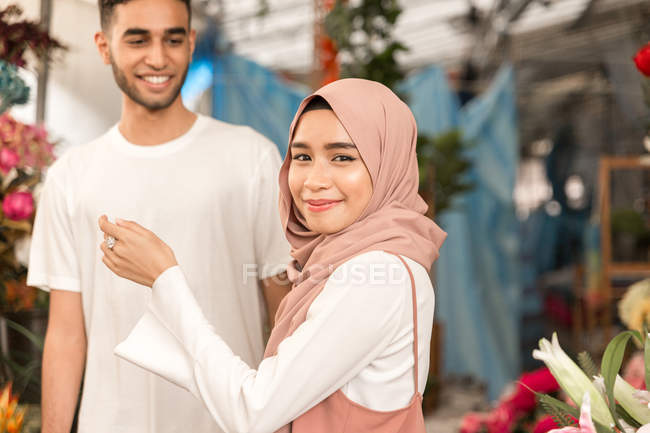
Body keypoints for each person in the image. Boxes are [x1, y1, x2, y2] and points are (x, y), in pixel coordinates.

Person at [99, 78, 447, 432]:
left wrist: (165, 279)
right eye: (302, 157)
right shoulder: (353, 263)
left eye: (342, 157)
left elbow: (255, 411)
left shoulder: (377, 274)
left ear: (388, 164)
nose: (314, 179)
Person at [27, 0, 291, 432]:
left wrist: (283, 421)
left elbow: (284, 308)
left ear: (190, 43)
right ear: (104, 46)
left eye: (173, 38)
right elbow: (66, 334)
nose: (158, 57)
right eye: (137, 39)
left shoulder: (252, 158)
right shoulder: (70, 178)